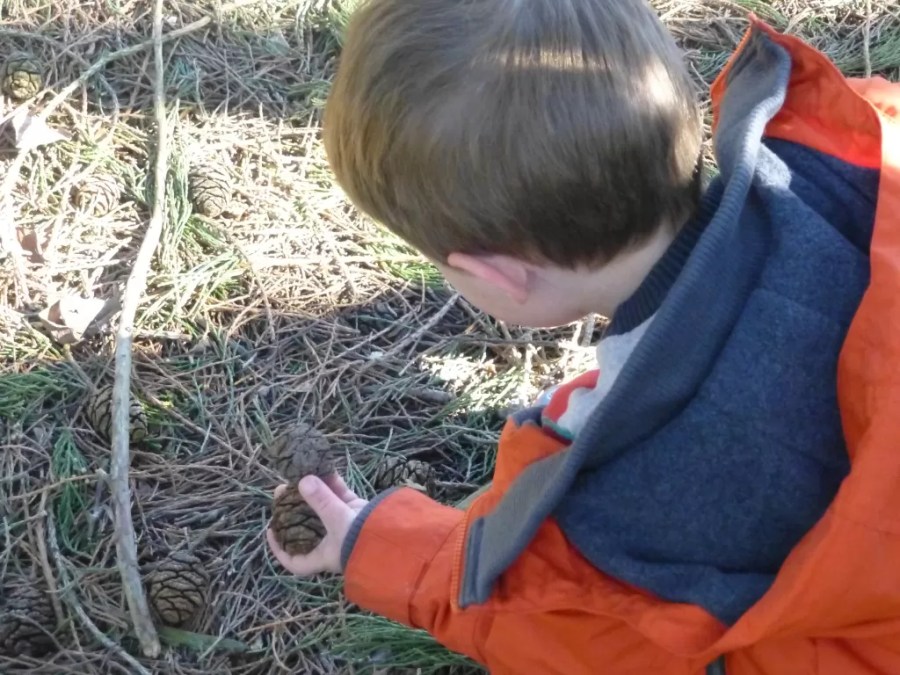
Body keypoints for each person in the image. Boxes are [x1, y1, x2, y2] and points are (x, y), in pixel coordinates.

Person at [267, 1, 900, 672]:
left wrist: (376, 542)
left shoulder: (609, 497)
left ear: (498, 275)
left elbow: (565, 633)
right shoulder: (864, 162)